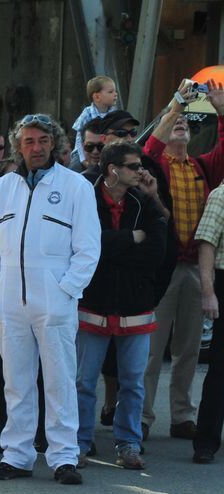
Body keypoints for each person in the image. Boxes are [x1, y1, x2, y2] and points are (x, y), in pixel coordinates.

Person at [0, 114, 100, 485]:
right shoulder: (3, 189)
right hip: (10, 301)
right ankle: (18, 455)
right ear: (19, 147)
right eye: (28, 141)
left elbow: (88, 249)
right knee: (16, 380)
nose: (36, 148)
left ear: (55, 144)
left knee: (61, 380)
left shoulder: (76, 187)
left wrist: (66, 291)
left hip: (55, 301)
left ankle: (64, 457)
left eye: (43, 140)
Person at [141, 79, 224, 441]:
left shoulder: (203, 167)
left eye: (187, 124)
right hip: (161, 268)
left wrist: (221, 111)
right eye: (178, 123)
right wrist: (174, 107)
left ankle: (181, 416)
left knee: (189, 349)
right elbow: (150, 147)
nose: (182, 127)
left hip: (194, 267)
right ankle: (141, 417)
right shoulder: (156, 164)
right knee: (150, 350)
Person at [76, 142, 166, 471]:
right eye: (132, 166)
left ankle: (128, 443)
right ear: (113, 170)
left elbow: (156, 252)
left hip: (135, 308)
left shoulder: (145, 203)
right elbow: (84, 247)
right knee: (84, 382)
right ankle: (79, 443)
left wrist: (109, 248)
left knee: (133, 382)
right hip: (93, 305)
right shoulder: (84, 198)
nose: (140, 171)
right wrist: (130, 239)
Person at [193, 183, 224, 463]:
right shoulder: (221, 195)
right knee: (220, 369)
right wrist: (208, 292)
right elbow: (206, 244)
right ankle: (205, 442)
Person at [72, 75, 118, 165]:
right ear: (97, 97)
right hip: (85, 153)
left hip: (104, 153)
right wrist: (83, 159)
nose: (115, 94)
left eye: (115, 91)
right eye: (110, 92)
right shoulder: (87, 114)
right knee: (74, 167)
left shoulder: (114, 113)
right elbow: (78, 138)